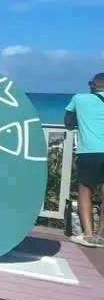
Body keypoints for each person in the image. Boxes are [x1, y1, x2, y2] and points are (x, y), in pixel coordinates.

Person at [64, 73, 104, 247]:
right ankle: (101, 237)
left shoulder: (79, 99)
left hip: (89, 151)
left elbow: (68, 122)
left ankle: (88, 235)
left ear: (93, 85)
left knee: (85, 189)